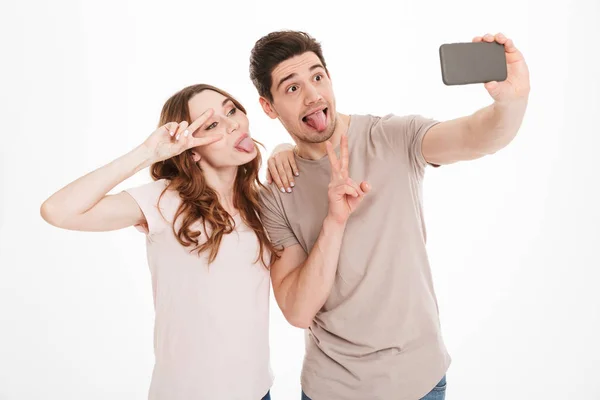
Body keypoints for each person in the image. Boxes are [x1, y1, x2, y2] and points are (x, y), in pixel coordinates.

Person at [252, 31, 530, 400]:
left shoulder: (393, 136)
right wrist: (334, 220)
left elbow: (476, 136)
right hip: (329, 390)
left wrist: (512, 102)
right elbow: (298, 311)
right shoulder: (276, 191)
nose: (313, 95)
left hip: (419, 381)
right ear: (268, 107)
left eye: (318, 77)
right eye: (291, 88)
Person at [40, 83, 297, 400]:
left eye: (232, 110)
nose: (233, 124)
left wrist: (284, 147)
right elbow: (58, 211)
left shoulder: (260, 204)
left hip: (257, 392)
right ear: (192, 150)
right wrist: (147, 153)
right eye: (213, 124)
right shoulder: (165, 200)